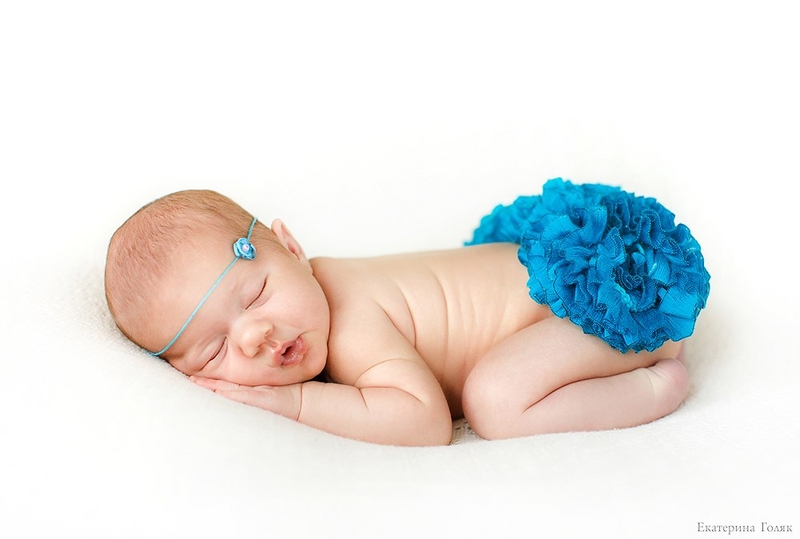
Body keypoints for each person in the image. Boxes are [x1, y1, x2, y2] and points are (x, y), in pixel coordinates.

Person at [104, 179, 710, 446]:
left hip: (604, 308)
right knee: (497, 389)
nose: (256, 336)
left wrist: (291, 403)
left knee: (496, 402)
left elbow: (423, 422)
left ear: (292, 249)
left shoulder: (349, 317)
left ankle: (651, 386)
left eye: (257, 293)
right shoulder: (310, 312)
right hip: (560, 320)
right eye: (215, 350)